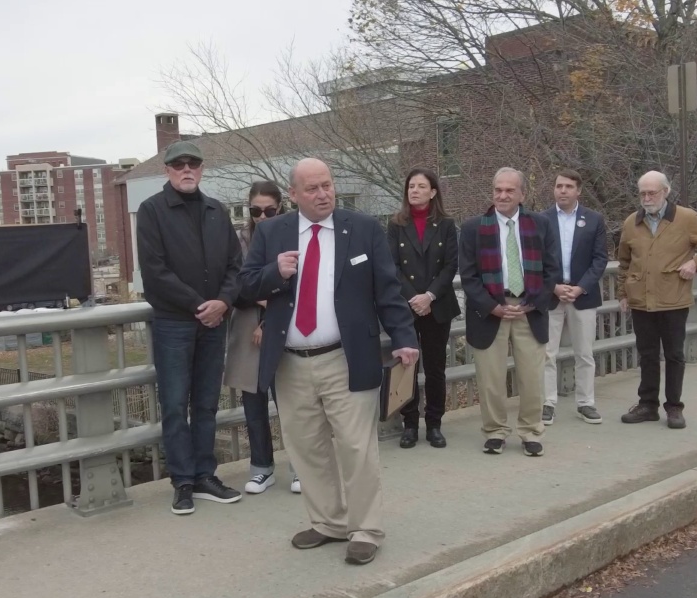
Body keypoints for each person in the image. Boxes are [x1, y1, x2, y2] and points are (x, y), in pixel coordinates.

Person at [239, 158, 418, 566]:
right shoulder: (271, 232)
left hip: (346, 357)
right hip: (290, 363)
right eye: (313, 188)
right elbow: (245, 285)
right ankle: (329, 523)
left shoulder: (364, 229)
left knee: (357, 447)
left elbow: (387, 290)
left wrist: (405, 339)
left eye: (327, 185)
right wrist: (274, 272)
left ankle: (366, 528)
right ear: (294, 195)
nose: (323, 194)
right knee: (307, 448)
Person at [136, 140, 244, 515]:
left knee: (205, 404)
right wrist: (201, 306)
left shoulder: (217, 211)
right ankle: (182, 481)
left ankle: (204, 476)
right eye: (178, 164)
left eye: (193, 164)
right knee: (174, 404)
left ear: (201, 169)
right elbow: (154, 272)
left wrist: (224, 302)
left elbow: (235, 265)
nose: (186, 170)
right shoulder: (151, 212)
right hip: (174, 323)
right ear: (167, 171)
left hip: (214, 323)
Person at [459, 167, 560, 457]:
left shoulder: (540, 225)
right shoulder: (473, 228)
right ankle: (494, 431)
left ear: (522, 194)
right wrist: (494, 307)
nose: (502, 195)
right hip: (490, 310)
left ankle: (530, 431)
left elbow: (552, 271)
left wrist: (530, 304)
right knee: (490, 379)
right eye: (498, 190)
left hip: (529, 309)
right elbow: (468, 276)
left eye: (509, 190)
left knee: (532, 377)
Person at [617, 171, 697, 429]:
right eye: (642, 193)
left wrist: (696, 263)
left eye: (651, 192)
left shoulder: (685, 218)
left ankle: (674, 407)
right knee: (647, 354)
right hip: (641, 299)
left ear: (665, 192)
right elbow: (624, 261)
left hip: (673, 298)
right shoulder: (632, 222)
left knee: (675, 354)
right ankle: (647, 405)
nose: (646, 198)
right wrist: (623, 293)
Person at [223, 180, 300, 495]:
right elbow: (234, 286)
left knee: (292, 403)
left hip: (284, 325)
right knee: (253, 403)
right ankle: (261, 468)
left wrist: (268, 321)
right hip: (245, 326)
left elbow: (298, 285)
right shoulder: (238, 240)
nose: (262, 217)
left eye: (269, 210)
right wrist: (259, 300)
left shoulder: (290, 234)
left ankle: (300, 466)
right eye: (255, 211)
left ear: (281, 207)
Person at [386, 168, 460, 449]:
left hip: (437, 305)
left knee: (435, 368)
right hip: (406, 307)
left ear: (432, 192)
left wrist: (429, 296)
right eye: (410, 186)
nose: (414, 190)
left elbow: (451, 265)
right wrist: (413, 298)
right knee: (407, 366)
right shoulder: (396, 224)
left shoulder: (446, 224)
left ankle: (434, 424)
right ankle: (410, 424)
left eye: (421, 186)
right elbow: (391, 265)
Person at [540, 170, 609, 425]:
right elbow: (535, 261)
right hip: (551, 296)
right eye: (559, 186)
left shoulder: (593, 219)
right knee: (547, 353)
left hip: (583, 295)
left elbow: (600, 258)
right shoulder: (542, 219)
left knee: (585, 353)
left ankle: (586, 403)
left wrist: (580, 288)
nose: (563, 191)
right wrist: (554, 287)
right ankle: (547, 403)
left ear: (578, 190)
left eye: (568, 186)